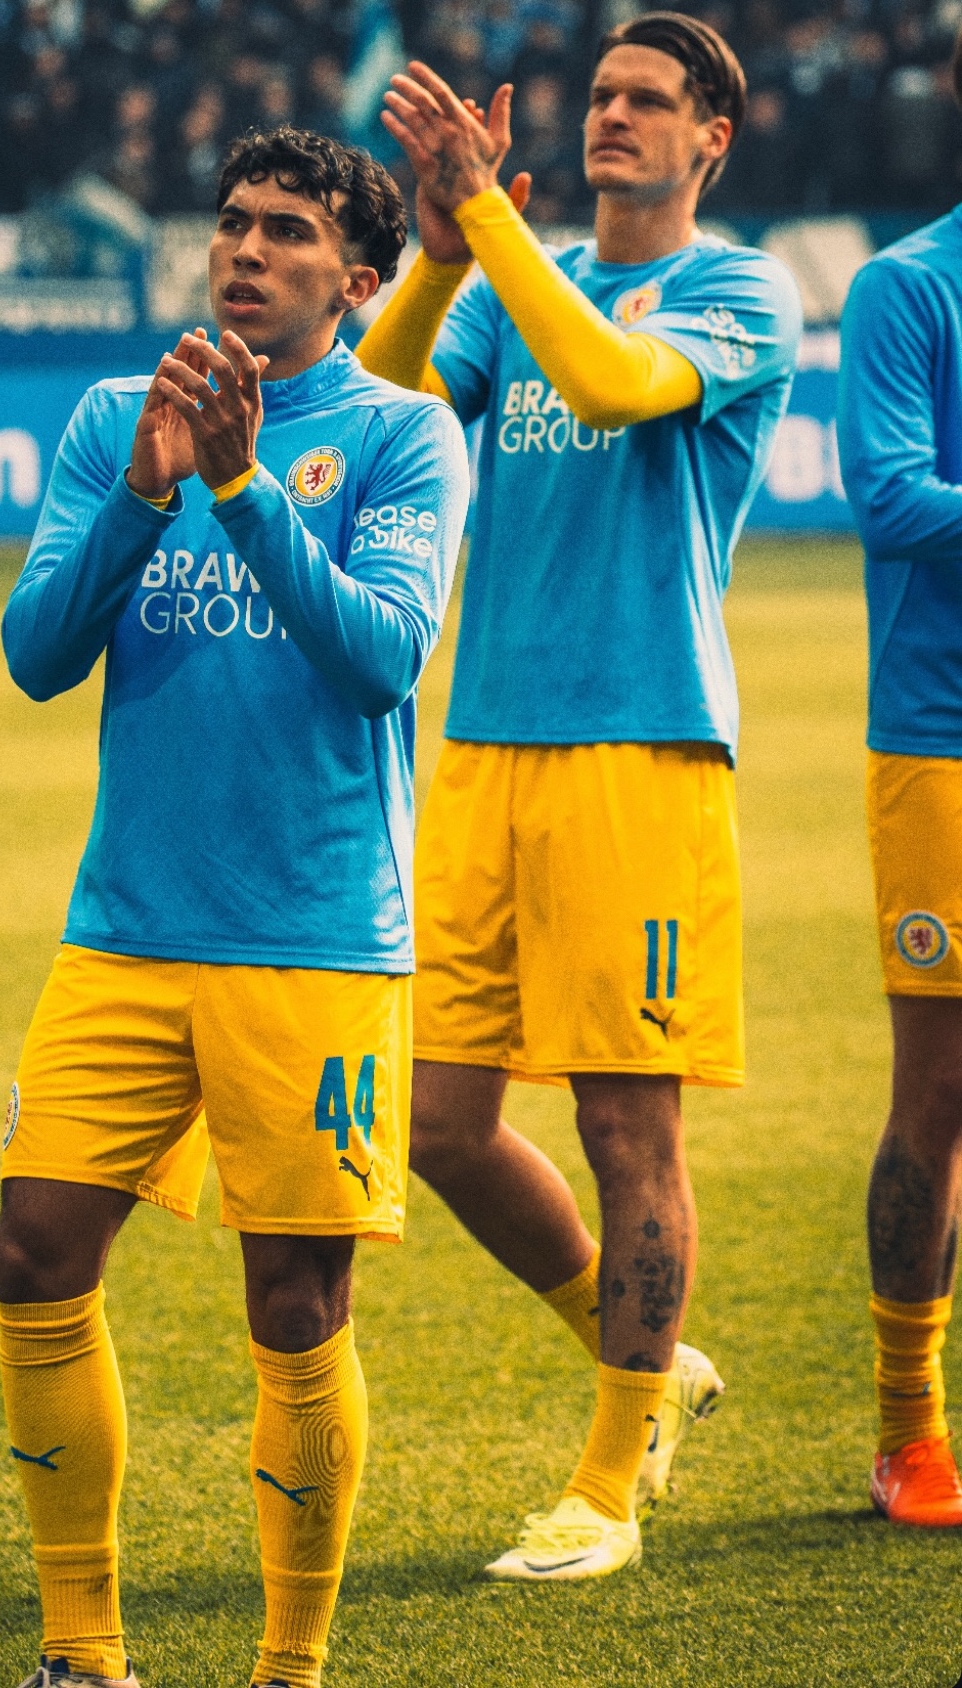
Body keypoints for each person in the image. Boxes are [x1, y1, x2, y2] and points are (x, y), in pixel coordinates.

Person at [0, 125, 468, 1688]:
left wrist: (244, 487)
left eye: (287, 231)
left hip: (311, 940)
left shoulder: (403, 437)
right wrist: (143, 493)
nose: (247, 250)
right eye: (234, 223)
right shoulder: (110, 417)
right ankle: (82, 1654)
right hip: (123, 929)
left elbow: (379, 660)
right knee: (33, 1252)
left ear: (361, 278)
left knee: (295, 1300)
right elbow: (37, 655)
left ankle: (288, 1669)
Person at [357, 12, 801, 1579]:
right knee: (435, 1123)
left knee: (625, 1126)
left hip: (639, 749)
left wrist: (486, 222)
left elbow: (609, 385)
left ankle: (607, 1488)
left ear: (709, 138)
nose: (612, 116)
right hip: (484, 742)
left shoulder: (741, 291)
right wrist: (435, 258)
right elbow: (383, 398)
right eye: (601, 94)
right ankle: (651, 1365)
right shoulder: (505, 272)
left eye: (647, 100)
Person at [838, 26, 962, 1531]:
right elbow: (886, 497)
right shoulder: (908, 285)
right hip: (944, 741)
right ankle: (907, 1424)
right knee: (938, 1089)